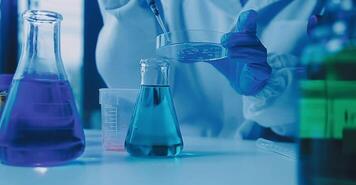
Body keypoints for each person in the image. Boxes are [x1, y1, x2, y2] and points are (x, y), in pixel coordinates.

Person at [96, 0, 323, 139]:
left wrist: (271, 88)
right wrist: (127, 13)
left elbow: (343, 111)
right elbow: (136, 90)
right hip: (181, 160)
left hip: (280, 166)